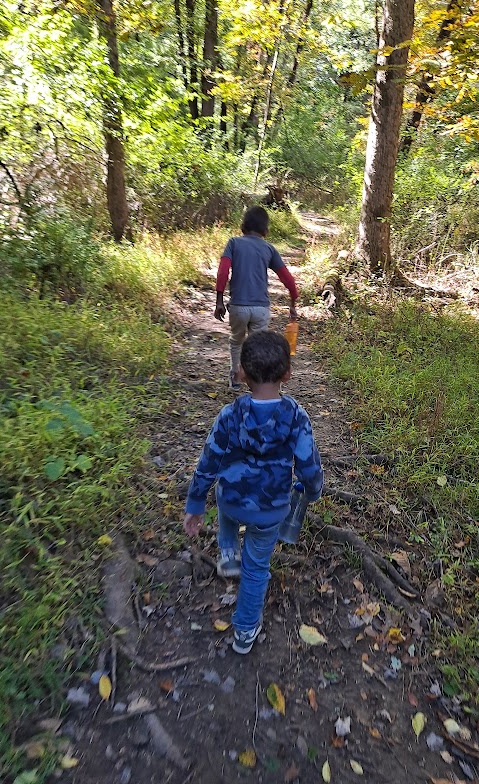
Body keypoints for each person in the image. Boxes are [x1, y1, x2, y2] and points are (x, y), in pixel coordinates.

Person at [183, 331, 323, 654]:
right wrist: (312, 492)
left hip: (232, 502)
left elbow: (208, 462)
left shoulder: (229, 416)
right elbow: (309, 466)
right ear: (287, 373)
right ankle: (245, 631)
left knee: (222, 489)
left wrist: (195, 503)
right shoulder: (296, 417)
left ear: (242, 372)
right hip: (271, 510)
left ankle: (228, 547)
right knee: (257, 567)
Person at [214, 205, 299, 391]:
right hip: (261, 309)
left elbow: (222, 271)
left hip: (238, 306)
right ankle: (259, 383)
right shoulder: (269, 249)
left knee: (236, 341)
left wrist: (219, 300)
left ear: (243, 225)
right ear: (266, 230)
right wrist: (293, 303)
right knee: (258, 345)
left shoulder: (234, 243)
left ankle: (236, 378)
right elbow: (288, 280)